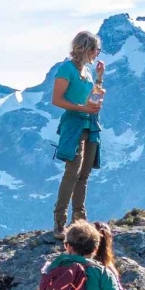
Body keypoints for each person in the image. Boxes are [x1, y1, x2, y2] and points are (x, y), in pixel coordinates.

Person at [50, 31, 105, 237]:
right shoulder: (67, 69)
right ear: (88, 49)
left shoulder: (87, 72)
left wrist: (99, 79)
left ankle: (79, 220)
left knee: (84, 175)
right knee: (72, 172)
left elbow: (91, 97)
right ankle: (60, 222)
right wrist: (82, 109)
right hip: (74, 124)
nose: (97, 54)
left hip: (90, 124)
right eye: (96, 50)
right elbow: (57, 100)